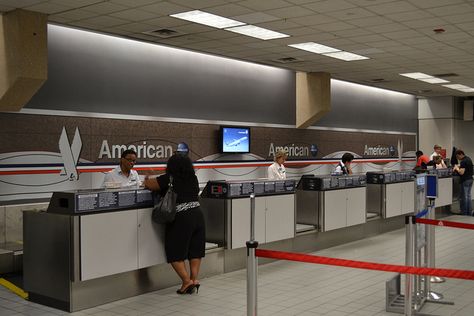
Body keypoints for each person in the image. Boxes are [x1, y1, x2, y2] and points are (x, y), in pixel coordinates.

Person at [144, 154, 205, 294]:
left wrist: (147, 178)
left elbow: (149, 185)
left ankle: (186, 281)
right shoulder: (193, 178)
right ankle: (194, 279)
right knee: (195, 249)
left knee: (174, 250)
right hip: (198, 214)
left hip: (182, 217)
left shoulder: (169, 178)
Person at [453, 149, 473, 216]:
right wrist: (459, 165)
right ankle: (469, 212)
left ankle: (464, 212)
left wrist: (456, 168)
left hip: (465, 180)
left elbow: (461, 172)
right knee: (468, 196)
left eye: (458, 157)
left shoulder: (463, 161)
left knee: (464, 197)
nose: (458, 158)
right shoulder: (468, 159)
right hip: (470, 179)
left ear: (461, 154)